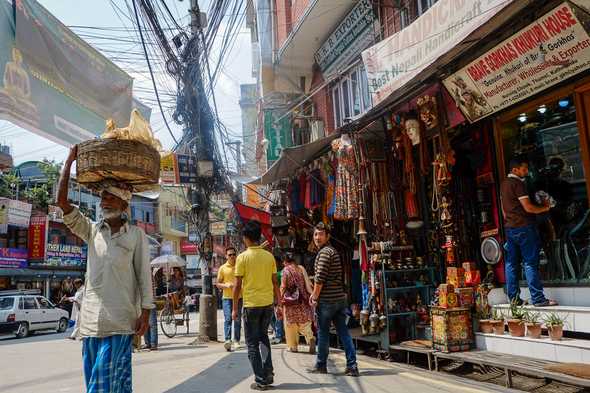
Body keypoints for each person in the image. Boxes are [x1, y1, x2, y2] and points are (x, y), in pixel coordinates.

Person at [57, 146, 154, 393]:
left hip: (121, 321)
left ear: (123, 202)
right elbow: (62, 202)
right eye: (102, 198)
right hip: (90, 323)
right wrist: (69, 162)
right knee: (98, 383)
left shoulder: (135, 236)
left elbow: (144, 276)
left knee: (104, 385)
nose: (104, 202)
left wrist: (146, 313)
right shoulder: (91, 230)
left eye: (110, 197)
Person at [500, 157, 558, 307]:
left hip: (510, 228)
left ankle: (513, 300)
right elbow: (528, 207)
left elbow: (503, 210)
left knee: (511, 264)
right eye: (524, 169)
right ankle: (538, 299)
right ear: (515, 170)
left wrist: (510, 221)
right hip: (524, 227)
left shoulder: (504, 184)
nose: (526, 172)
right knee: (530, 263)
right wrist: (545, 208)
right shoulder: (518, 184)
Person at [232, 221, 281, 391]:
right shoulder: (269, 256)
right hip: (267, 304)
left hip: (251, 305)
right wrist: (279, 303)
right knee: (264, 338)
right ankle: (268, 374)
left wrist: (234, 308)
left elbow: (237, 285)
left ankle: (260, 379)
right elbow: (275, 283)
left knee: (252, 344)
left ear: (245, 238)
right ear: (258, 236)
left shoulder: (242, 257)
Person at [308, 222, 359, 377]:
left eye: (321, 234)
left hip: (327, 302)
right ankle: (352, 365)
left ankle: (321, 364)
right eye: (315, 234)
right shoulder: (332, 251)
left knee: (323, 333)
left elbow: (320, 277)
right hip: (338, 299)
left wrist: (314, 296)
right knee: (343, 332)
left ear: (327, 236)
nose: (317, 237)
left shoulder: (324, 253)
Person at [281, 252, 315, 353]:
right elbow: (308, 284)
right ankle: (310, 338)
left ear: (285, 261)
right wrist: (312, 295)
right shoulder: (301, 268)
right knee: (304, 322)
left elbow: (283, 286)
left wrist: (279, 299)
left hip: (290, 302)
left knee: (291, 325)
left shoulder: (285, 271)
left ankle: (293, 347)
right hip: (302, 300)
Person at [216, 246, 242, 352]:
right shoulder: (222, 268)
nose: (232, 256)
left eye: (233, 254)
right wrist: (225, 285)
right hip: (226, 298)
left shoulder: (240, 266)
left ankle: (236, 340)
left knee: (237, 319)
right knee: (227, 319)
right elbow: (217, 283)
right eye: (229, 254)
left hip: (239, 297)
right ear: (226, 256)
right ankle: (227, 340)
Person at [143, 268, 164, 351]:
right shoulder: (144, 273)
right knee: (145, 323)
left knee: (152, 324)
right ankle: (148, 343)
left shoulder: (148, 274)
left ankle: (153, 344)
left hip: (150, 301)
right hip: (144, 301)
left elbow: (150, 288)